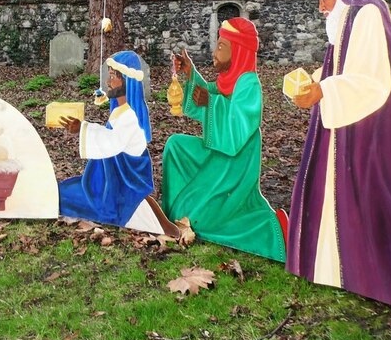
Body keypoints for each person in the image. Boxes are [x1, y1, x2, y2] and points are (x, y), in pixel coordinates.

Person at [286, 0, 391, 311]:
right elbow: (339, 66)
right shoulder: (343, 21)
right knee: (330, 191)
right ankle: (329, 267)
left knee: (362, 196)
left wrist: (323, 92)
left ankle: (364, 272)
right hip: (342, 122)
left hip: (368, 130)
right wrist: (314, 83)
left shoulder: (367, 15)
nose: (321, 5)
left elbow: (372, 80)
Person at [162, 18, 286, 262]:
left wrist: (211, 102)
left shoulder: (248, 83)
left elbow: (239, 127)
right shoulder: (228, 80)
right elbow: (208, 95)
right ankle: (168, 211)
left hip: (235, 165)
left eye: (221, 47)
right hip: (218, 153)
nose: (214, 53)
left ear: (237, 50)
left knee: (199, 218)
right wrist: (190, 73)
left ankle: (271, 229)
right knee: (175, 146)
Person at [58, 51, 180, 237]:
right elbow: (110, 136)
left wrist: (82, 128)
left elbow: (112, 143)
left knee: (64, 196)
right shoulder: (122, 111)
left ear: (127, 81)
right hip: (108, 182)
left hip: (122, 187)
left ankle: (157, 223)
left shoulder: (130, 117)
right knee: (65, 190)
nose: (108, 81)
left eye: (113, 76)